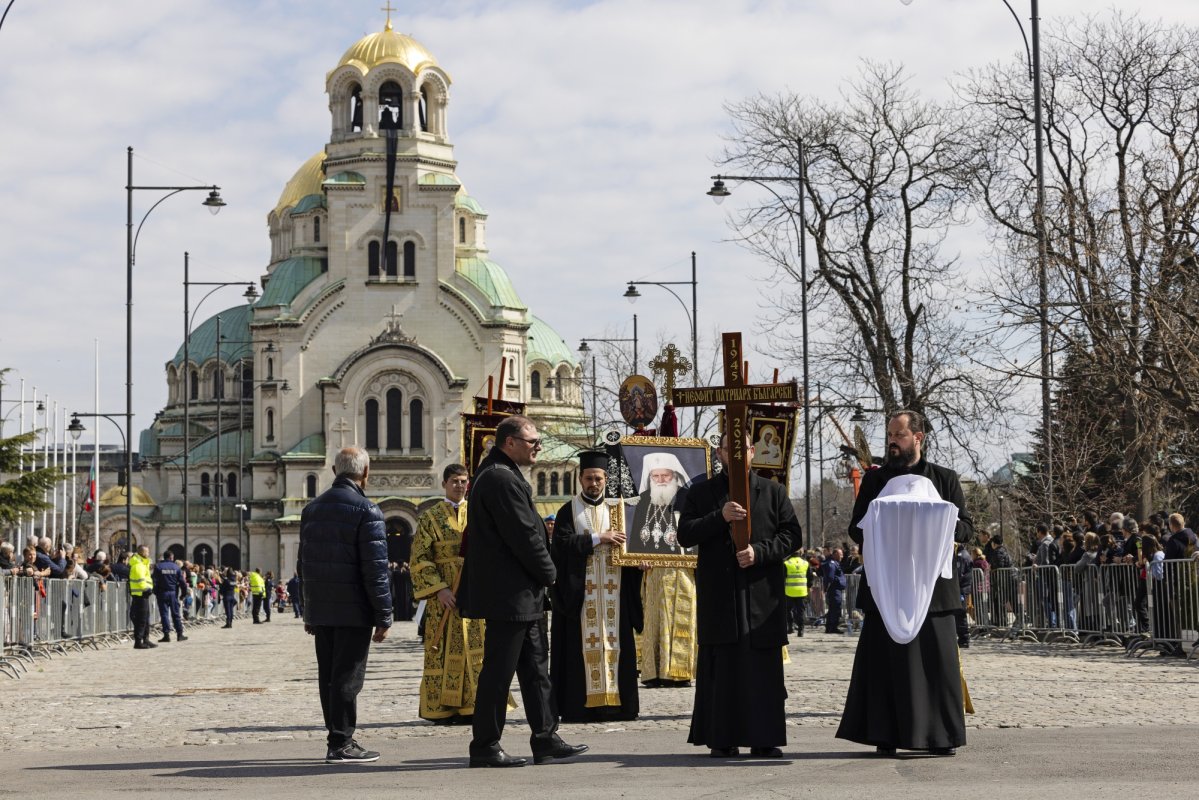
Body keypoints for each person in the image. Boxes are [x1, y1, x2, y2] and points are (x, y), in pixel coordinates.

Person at [836, 410, 973, 757]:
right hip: (886, 588)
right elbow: (856, 527)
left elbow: (966, 528)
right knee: (886, 665)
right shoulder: (875, 481)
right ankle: (886, 734)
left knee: (935, 665)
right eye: (890, 436)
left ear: (918, 438)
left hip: (933, 592)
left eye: (899, 435)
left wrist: (939, 523)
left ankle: (940, 736)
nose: (892, 442)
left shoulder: (944, 479)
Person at [458, 415, 586, 768]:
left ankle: (546, 738)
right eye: (532, 442)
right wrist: (550, 573)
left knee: (535, 669)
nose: (538, 447)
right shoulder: (500, 478)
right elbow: (525, 535)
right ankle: (485, 745)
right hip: (508, 593)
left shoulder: (505, 474)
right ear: (509, 442)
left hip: (520, 593)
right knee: (499, 672)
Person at [677, 432, 802, 759]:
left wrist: (760, 553)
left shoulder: (773, 491)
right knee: (724, 672)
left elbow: (792, 535)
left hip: (762, 598)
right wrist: (719, 517)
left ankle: (765, 738)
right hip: (720, 598)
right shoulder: (702, 492)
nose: (734, 454)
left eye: (741, 449)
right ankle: (722, 738)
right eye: (727, 449)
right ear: (719, 453)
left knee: (762, 672)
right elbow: (684, 533)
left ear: (751, 452)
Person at [299, 446, 392, 764]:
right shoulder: (368, 510)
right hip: (354, 610)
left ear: (335, 471)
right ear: (365, 473)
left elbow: (304, 564)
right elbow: (375, 569)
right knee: (347, 678)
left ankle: (336, 738)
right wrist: (384, 614)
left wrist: (308, 609)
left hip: (323, 610)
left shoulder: (312, 509)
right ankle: (341, 742)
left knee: (329, 676)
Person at [550, 450, 643, 722]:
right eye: (589, 478)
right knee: (581, 648)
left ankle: (618, 707)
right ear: (580, 479)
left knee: (617, 647)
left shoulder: (619, 510)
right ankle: (580, 708)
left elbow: (633, 546)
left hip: (615, 592)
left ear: (606, 479)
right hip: (582, 594)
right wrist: (597, 538)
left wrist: (639, 564)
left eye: (598, 478)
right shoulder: (568, 510)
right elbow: (561, 545)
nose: (594, 483)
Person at [411, 464, 486, 724]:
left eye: (464, 481)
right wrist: (440, 589)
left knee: (475, 650)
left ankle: (474, 706)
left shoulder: (479, 514)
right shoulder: (430, 517)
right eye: (455, 481)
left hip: (475, 595)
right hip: (442, 600)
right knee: (440, 652)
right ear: (444, 483)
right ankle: (442, 708)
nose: (460, 485)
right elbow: (420, 558)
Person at [631, 453, 698, 687]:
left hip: (683, 574)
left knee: (681, 619)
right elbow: (634, 541)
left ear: (676, 476)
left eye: (665, 475)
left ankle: (679, 673)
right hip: (652, 575)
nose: (660, 479)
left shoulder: (689, 499)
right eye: (655, 476)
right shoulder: (643, 502)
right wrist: (639, 558)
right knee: (654, 623)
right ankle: (654, 672)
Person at [152, 551, 187, 643]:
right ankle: (179, 634)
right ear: (172, 557)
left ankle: (166, 635)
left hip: (162, 593)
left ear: (164, 557)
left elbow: (154, 581)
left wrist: (156, 592)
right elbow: (183, 583)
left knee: (164, 614)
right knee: (176, 614)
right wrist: (183, 594)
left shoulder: (158, 566)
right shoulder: (176, 567)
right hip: (173, 593)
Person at [128, 545, 156, 650]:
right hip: (140, 594)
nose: (148, 553)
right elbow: (140, 580)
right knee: (141, 619)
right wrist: (146, 589)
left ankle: (146, 639)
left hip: (143, 594)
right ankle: (138, 641)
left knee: (145, 618)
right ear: (142, 552)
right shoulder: (138, 565)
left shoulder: (143, 564)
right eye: (147, 551)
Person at [783, 552, 809, 636]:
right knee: (800, 611)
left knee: (788, 610)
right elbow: (810, 577)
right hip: (802, 591)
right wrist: (809, 586)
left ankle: (790, 627)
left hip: (789, 591)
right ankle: (801, 630)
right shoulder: (805, 563)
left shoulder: (787, 563)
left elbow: (783, 577)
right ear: (800, 554)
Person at [821, 548, 845, 633]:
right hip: (834, 589)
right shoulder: (832, 563)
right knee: (835, 608)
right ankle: (833, 627)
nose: (842, 556)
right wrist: (828, 587)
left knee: (832, 609)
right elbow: (830, 577)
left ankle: (829, 627)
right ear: (835, 554)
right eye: (840, 554)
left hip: (835, 589)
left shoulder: (834, 563)